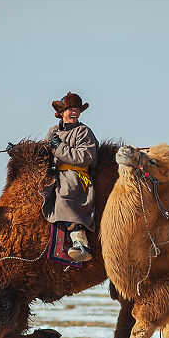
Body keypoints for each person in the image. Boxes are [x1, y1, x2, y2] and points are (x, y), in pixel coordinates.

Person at [41, 92, 99, 262]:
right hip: (54, 174)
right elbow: (43, 151)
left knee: (64, 195)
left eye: (77, 109)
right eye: (70, 109)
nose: (74, 112)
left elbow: (84, 157)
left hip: (76, 176)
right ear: (62, 111)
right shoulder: (53, 131)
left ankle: (80, 240)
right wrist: (18, 151)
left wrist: (60, 147)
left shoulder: (84, 132)